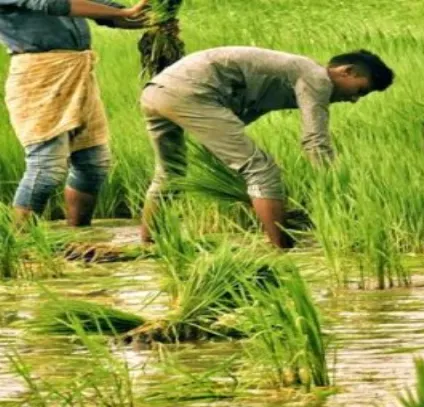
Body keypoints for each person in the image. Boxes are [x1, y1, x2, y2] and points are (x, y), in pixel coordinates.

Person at [138, 46, 394, 249]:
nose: (353, 100)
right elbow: (315, 141)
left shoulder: (286, 78)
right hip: (191, 92)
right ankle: (280, 250)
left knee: (170, 173)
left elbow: (238, 119)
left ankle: (149, 245)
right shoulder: (317, 78)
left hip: (155, 92)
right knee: (262, 170)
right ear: (346, 71)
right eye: (360, 90)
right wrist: (336, 187)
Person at [1, 0, 149, 227]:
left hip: (78, 69)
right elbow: (53, 4)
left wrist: (149, 17)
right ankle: (19, 241)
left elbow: (101, 7)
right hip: (39, 75)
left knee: (93, 164)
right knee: (46, 167)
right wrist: (126, 11)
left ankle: (80, 235)